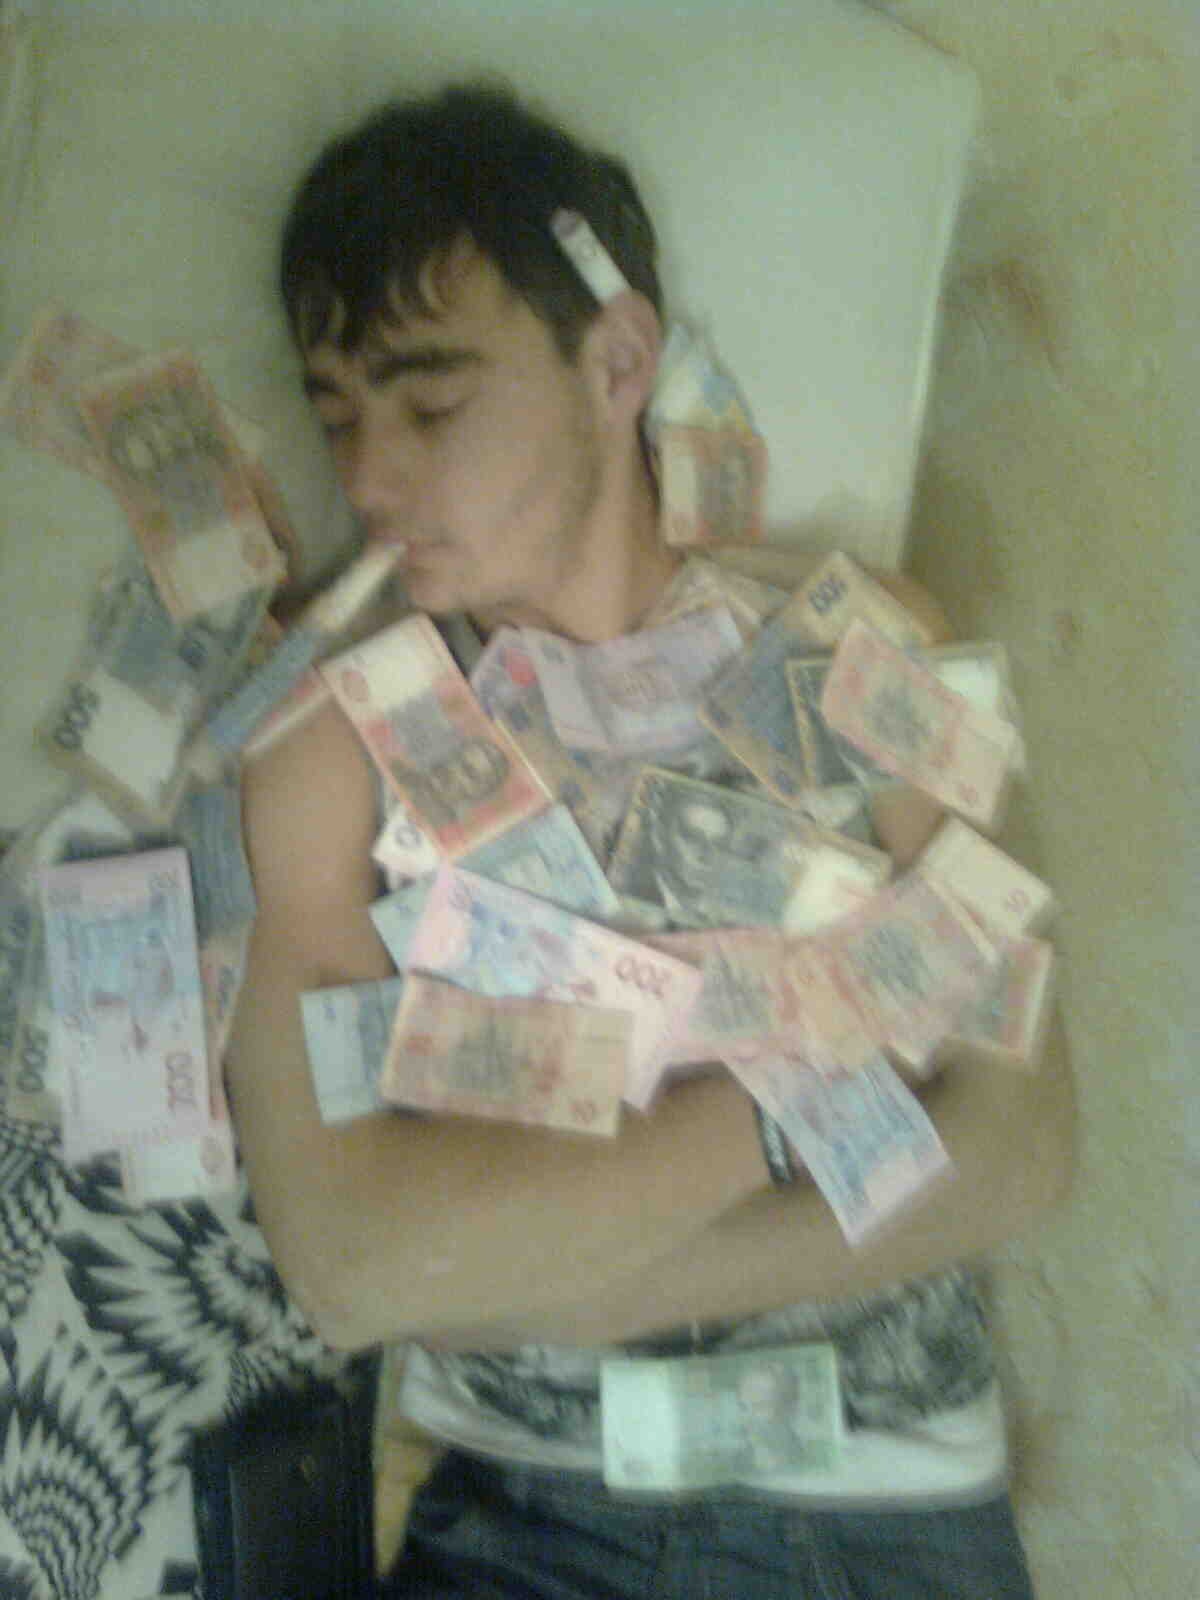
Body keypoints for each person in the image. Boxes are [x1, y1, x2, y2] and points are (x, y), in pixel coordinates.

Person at [225, 81, 1074, 1597]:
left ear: (617, 361)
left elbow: (1024, 1147)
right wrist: (784, 1108)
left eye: (430, 405)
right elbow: (346, 1270)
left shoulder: (859, 647)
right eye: (336, 413)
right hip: (523, 1525)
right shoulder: (330, 751)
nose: (366, 479)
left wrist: (532, 1283)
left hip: (888, 1518)